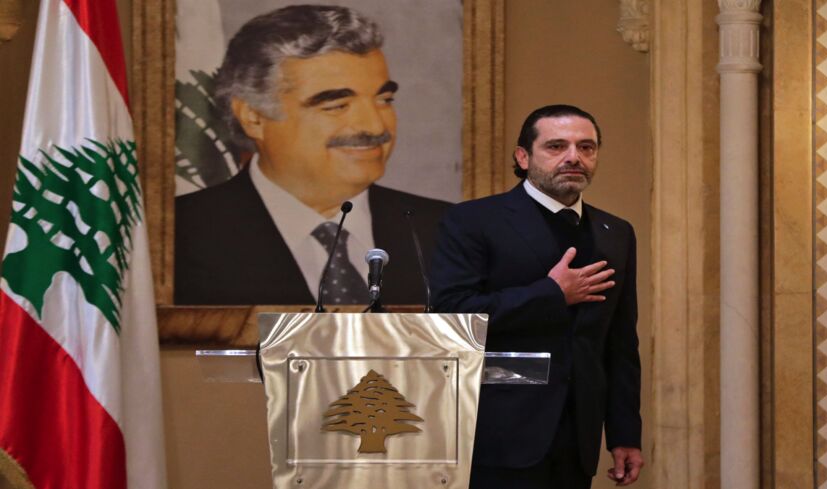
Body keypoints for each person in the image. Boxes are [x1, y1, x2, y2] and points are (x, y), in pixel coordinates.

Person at [174, 5, 449, 305]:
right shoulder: (180, 234)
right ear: (253, 117)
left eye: (384, 100)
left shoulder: (444, 229)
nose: (375, 125)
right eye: (336, 105)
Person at [430, 105, 643, 488]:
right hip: (498, 431)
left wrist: (624, 433)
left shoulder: (616, 232)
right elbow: (452, 314)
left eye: (587, 147)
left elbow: (620, 343)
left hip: (579, 434)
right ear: (523, 157)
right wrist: (552, 294)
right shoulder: (473, 221)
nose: (574, 157)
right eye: (556, 146)